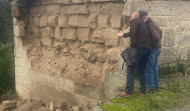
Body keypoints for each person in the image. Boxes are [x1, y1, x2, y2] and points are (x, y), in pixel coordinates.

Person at [117, 11, 150, 98]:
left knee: (131, 68)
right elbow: (133, 33)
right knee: (142, 69)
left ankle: (128, 92)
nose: (130, 19)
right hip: (147, 49)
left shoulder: (134, 21)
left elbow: (134, 35)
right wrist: (123, 34)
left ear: (133, 17)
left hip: (139, 48)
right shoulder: (142, 22)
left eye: (130, 17)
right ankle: (143, 91)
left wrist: (132, 49)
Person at [138, 10, 162, 92]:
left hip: (154, 49)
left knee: (149, 68)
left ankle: (151, 87)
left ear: (142, 17)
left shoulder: (149, 24)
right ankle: (156, 85)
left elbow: (156, 37)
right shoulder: (153, 21)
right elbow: (160, 33)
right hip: (158, 48)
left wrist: (151, 46)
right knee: (154, 67)